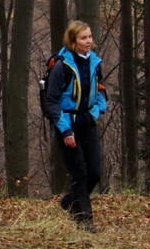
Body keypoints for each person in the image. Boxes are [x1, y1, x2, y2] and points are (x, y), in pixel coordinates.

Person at [44, 20, 107, 232]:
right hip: (67, 125)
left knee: (94, 173)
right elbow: (51, 101)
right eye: (83, 38)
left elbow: (100, 92)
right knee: (80, 173)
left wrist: (95, 112)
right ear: (73, 41)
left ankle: (69, 201)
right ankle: (84, 220)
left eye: (89, 37)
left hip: (87, 122)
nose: (88, 41)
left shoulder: (94, 63)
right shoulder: (62, 66)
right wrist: (65, 130)